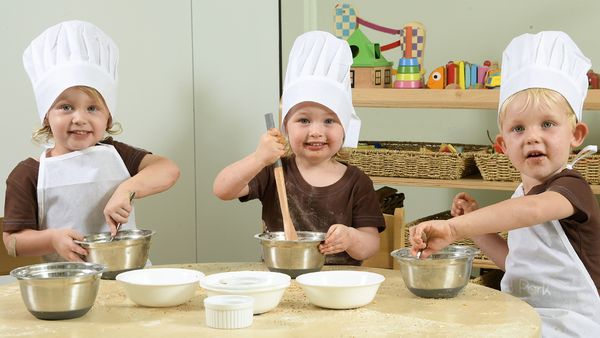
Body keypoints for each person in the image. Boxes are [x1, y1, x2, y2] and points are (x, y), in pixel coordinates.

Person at [409, 31, 600, 336]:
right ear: (502, 145)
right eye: (518, 128)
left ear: (576, 135)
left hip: (571, 324)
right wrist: (477, 227)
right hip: (524, 316)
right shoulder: (520, 195)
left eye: (548, 124)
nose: (532, 136)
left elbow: (533, 209)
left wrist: (454, 229)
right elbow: (516, 263)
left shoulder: (570, 188)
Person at [2, 20, 180, 263]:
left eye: (93, 108)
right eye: (65, 107)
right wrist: (52, 239)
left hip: (128, 277)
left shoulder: (116, 154)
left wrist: (126, 190)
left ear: (108, 117)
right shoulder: (29, 173)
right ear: (46, 115)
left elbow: (168, 169)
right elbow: (12, 241)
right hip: (67, 287)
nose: (80, 118)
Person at [213, 31, 385, 265]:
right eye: (304, 120)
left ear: (345, 127)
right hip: (280, 279)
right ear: (286, 128)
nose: (316, 131)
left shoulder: (357, 182)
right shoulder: (274, 170)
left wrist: (351, 238)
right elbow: (222, 189)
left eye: (329, 121)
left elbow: (370, 245)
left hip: (338, 285)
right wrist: (258, 158)